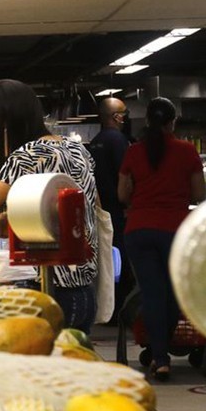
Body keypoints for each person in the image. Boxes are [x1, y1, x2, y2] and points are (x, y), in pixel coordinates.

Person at [0, 79, 99, 331]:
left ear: (13, 121)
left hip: (43, 290)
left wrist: (6, 228)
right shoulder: (78, 150)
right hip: (84, 292)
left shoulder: (26, 156)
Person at [118, 97, 206, 381]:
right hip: (175, 231)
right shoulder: (187, 151)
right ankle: (162, 351)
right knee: (174, 293)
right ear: (173, 122)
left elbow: (122, 195)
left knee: (152, 292)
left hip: (139, 231)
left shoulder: (133, 152)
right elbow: (198, 195)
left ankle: (160, 357)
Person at [89, 97, 133, 321]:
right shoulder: (118, 140)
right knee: (122, 263)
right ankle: (119, 312)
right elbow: (126, 177)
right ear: (116, 117)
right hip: (118, 212)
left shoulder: (96, 141)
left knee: (108, 262)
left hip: (100, 211)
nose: (126, 118)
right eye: (123, 113)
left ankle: (109, 308)